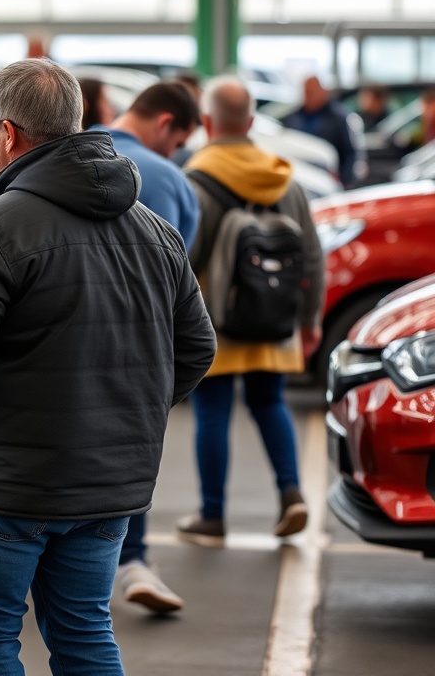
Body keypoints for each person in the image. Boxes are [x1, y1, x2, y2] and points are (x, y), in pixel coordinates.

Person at [0, 57, 216, 675]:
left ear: (9, 133)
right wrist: (132, 414)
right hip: (109, 484)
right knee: (84, 634)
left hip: (4, 479)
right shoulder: (153, 229)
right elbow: (196, 348)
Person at [177, 75, 324, 548]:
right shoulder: (286, 179)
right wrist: (310, 320)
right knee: (270, 403)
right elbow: (314, 255)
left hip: (215, 320)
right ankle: (291, 493)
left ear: (206, 122)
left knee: (213, 413)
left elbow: (183, 258)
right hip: (274, 318)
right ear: (253, 122)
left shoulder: (195, 180)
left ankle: (212, 517)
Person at [91, 80, 201, 613]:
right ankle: (131, 558)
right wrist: (164, 389)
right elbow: (189, 314)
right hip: (140, 358)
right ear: (165, 125)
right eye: (177, 140)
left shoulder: (57, 159)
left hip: (54, 355)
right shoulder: (169, 181)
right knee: (125, 458)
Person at [93, 81, 201, 249]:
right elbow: (167, 268)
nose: (171, 155)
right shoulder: (168, 179)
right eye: (178, 144)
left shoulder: (71, 150)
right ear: (164, 123)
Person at [281, 75, 360, 187]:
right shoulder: (293, 117)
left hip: (328, 179)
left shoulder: (339, 118)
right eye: (306, 92)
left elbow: (349, 151)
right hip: (300, 176)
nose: (307, 96)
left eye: (311, 92)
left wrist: (346, 180)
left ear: (322, 92)